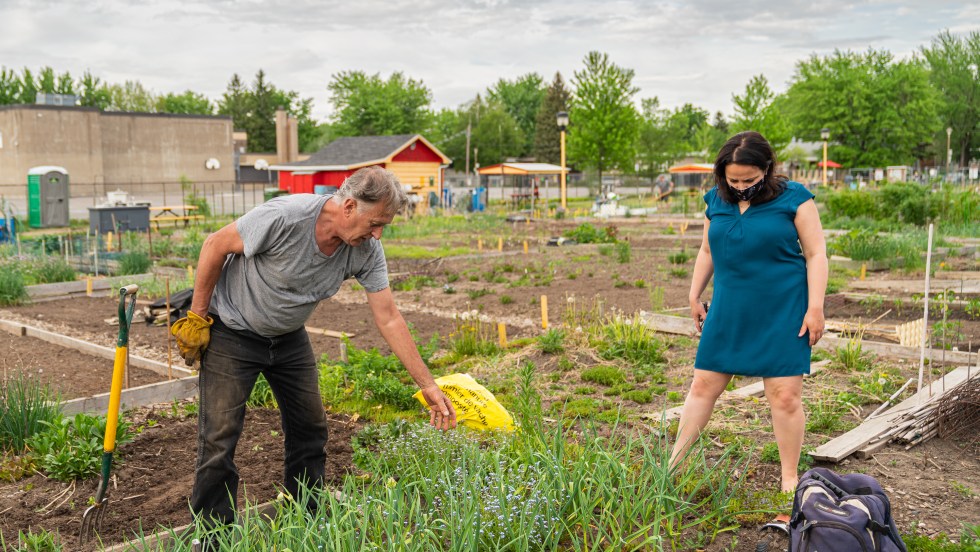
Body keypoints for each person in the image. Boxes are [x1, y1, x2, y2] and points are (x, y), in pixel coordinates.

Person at [171, 166, 457, 528]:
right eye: (376, 223)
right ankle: (212, 536)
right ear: (350, 207)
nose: (379, 234)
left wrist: (428, 385)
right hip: (234, 331)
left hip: (288, 338)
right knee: (219, 438)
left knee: (310, 428)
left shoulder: (366, 250)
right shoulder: (284, 217)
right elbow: (215, 245)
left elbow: (388, 317)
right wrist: (198, 317)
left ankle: (306, 515)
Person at [669, 131, 827, 520]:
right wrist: (694, 294)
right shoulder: (715, 200)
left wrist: (816, 307)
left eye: (748, 179)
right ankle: (672, 466)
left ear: (766, 170)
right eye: (733, 180)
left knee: (785, 396)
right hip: (729, 308)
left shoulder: (795, 199)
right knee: (703, 385)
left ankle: (789, 476)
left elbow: (816, 253)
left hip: (783, 309)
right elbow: (707, 249)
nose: (740, 187)